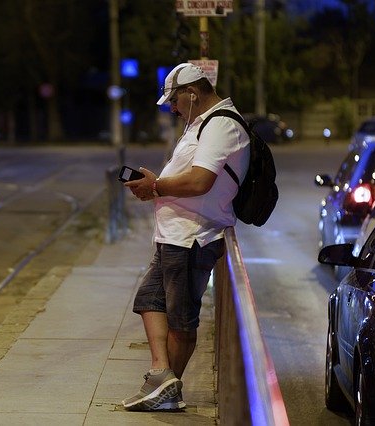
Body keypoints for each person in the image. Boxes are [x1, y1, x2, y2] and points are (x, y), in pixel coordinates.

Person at [121, 63, 250, 411]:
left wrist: (156, 186)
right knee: (149, 299)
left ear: (192, 93)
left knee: (181, 320)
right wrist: (157, 182)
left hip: (192, 237)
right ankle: (162, 377)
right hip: (174, 236)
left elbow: (199, 181)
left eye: (175, 101)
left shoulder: (221, 124)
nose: (173, 108)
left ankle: (166, 392)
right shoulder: (202, 123)